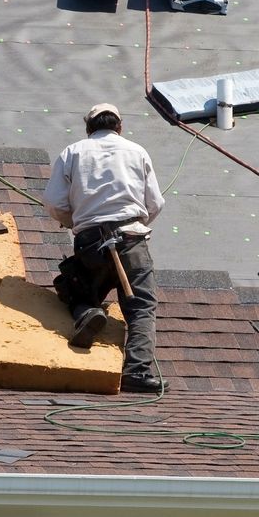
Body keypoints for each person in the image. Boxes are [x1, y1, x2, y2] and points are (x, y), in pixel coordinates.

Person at [43, 102, 167, 393]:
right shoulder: (137, 151)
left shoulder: (72, 152)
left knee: (75, 290)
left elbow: (53, 202)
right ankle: (137, 371)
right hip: (131, 239)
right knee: (141, 306)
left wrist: (76, 221)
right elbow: (155, 204)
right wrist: (134, 223)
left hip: (91, 243)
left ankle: (86, 312)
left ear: (89, 129)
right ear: (119, 128)